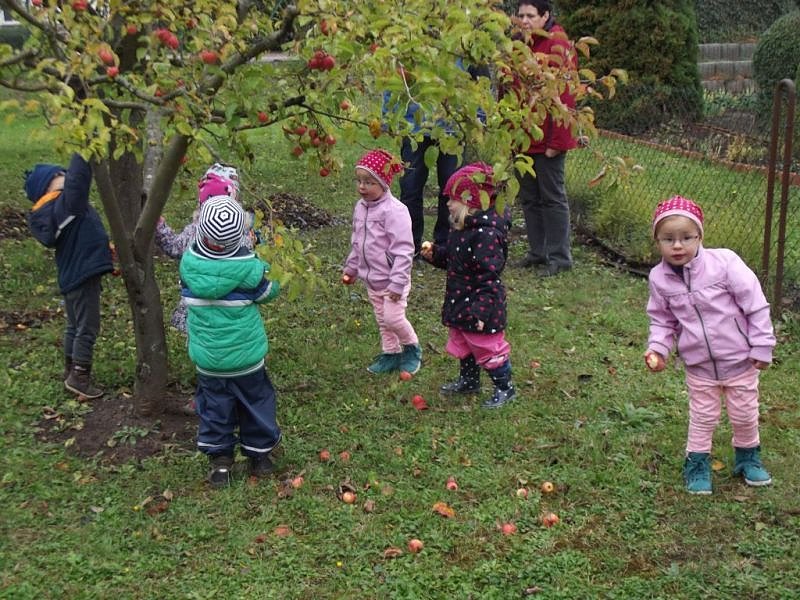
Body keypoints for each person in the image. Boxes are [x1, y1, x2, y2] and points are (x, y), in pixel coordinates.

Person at [644, 196, 776, 495]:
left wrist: (762, 346)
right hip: (699, 366)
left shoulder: (725, 263)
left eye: (686, 238)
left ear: (700, 236)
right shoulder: (659, 279)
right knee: (702, 417)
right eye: (668, 239)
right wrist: (658, 349)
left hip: (740, 361)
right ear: (657, 242)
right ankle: (697, 464)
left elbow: (754, 305)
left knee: (744, 413)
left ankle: (748, 458)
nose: (678, 246)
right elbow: (663, 321)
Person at [180, 195, 281, 487]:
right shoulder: (250, 269)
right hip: (247, 360)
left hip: (208, 362)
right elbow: (269, 292)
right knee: (256, 402)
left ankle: (220, 463)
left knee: (214, 408)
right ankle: (259, 456)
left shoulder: (189, 266)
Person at [420, 163, 516, 409]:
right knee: (465, 344)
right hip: (461, 299)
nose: (448, 204)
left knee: (486, 347)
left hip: (479, 304)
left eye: (453, 199)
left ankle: (505, 388)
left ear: (471, 203)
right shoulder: (462, 229)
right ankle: (469, 381)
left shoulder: (486, 235)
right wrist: (436, 255)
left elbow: (489, 279)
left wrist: (482, 311)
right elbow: (456, 261)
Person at [25, 153, 114, 399]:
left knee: (74, 326)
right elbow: (78, 180)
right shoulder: (66, 205)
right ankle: (79, 376)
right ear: (49, 185)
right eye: (59, 174)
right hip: (82, 275)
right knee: (88, 327)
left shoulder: (55, 211)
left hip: (73, 275)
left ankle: (70, 370)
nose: (64, 175)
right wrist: (84, 150)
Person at [509, 0, 578, 277]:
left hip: (547, 139)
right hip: (522, 139)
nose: (525, 21)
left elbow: (566, 97)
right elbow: (507, 90)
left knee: (552, 198)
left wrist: (558, 142)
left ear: (545, 16)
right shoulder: (516, 46)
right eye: (521, 15)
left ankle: (560, 256)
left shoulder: (558, 44)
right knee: (529, 198)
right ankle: (538, 252)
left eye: (531, 15)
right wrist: (509, 134)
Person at [341, 149, 422, 375]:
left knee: (393, 318)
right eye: (359, 181)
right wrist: (351, 268)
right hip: (372, 279)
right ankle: (391, 354)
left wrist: (397, 283)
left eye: (369, 182)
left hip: (392, 279)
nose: (362, 187)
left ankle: (412, 348)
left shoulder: (395, 211)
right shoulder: (361, 208)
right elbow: (358, 241)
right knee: (383, 321)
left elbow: (404, 250)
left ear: (384, 182)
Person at [155, 164, 242, 333]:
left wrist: (159, 226)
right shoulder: (241, 233)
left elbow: (174, 247)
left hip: (195, 307)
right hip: (231, 308)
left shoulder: (196, 230)